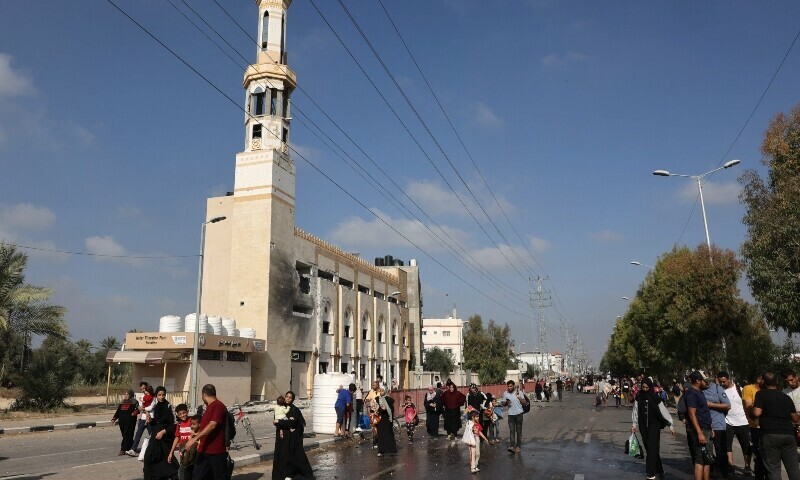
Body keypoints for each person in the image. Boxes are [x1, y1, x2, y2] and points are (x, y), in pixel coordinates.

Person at [753, 371, 800, 479]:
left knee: (774, 469)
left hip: (770, 435)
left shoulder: (761, 394)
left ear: (763, 382)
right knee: (793, 469)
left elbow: (756, 413)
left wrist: (750, 409)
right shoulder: (786, 397)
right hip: (788, 435)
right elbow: (795, 418)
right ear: (776, 382)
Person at [632, 378, 675, 480]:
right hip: (643, 426)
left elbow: (663, 411)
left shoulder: (655, 398)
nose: (645, 389)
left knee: (651, 448)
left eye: (647, 387)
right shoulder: (639, 397)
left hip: (654, 426)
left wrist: (671, 425)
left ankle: (651, 473)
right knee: (650, 448)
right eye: (643, 387)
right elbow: (635, 411)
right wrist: (634, 424)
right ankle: (659, 469)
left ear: (650, 387)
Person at [185, 384, 227, 480]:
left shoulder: (217, 405)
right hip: (204, 450)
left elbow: (212, 425)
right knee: (197, 476)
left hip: (216, 451)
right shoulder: (209, 407)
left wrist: (195, 439)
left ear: (204, 394)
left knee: (219, 477)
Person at [271, 390, 313, 480]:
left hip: (291, 437)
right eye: (287, 396)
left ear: (292, 399)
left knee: (293, 456)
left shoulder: (294, 410)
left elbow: (294, 422)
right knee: (281, 456)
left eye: (290, 397)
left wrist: (281, 422)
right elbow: (276, 421)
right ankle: (281, 475)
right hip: (281, 437)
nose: (288, 399)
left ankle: (291, 474)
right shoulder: (279, 408)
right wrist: (281, 422)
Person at [717, 371, 753, 476]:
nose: (722, 384)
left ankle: (747, 466)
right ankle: (730, 467)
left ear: (729, 379)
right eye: (720, 382)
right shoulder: (720, 391)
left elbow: (747, 404)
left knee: (746, 446)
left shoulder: (739, 389)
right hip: (728, 422)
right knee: (728, 446)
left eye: (723, 381)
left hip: (743, 422)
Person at [143, 386, 178, 480]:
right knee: (149, 458)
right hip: (156, 437)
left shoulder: (170, 407)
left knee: (168, 461)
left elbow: (174, 425)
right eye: (159, 395)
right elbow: (157, 422)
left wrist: (163, 432)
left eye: (163, 395)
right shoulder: (156, 407)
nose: (161, 397)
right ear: (156, 396)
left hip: (166, 438)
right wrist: (151, 420)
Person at [685, 371, 713, 480]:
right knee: (700, 460)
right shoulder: (692, 393)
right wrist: (699, 433)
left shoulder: (699, 392)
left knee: (707, 459)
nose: (707, 384)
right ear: (698, 381)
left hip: (706, 428)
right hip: (699, 429)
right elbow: (692, 414)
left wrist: (711, 428)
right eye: (705, 381)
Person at [703, 374, 732, 478]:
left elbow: (727, 405)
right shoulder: (698, 390)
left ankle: (724, 472)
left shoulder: (716, 388)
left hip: (718, 425)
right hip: (705, 426)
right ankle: (713, 470)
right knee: (707, 451)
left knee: (721, 450)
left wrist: (711, 404)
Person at [743, 373, 766, 479]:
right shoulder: (748, 388)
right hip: (756, 427)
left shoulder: (766, 389)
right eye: (764, 380)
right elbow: (748, 407)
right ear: (758, 379)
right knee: (759, 455)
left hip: (767, 427)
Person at [167, 404, 193, 480]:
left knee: (192, 470)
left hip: (192, 451)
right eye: (180, 414)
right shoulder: (179, 424)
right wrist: (171, 452)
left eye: (184, 413)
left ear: (187, 412)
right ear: (177, 415)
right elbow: (177, 438)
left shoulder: (192, 421)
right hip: (183, 452)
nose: (182, 415)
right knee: (182, 471)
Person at [501, 380, 527, 453]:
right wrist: (506, 402)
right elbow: (503, 403)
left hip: (519, 414)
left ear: (514, 386)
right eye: (508, 386)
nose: (509, 388)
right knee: (512, 431)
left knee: (518, 431)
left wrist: (519, 397)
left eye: (511, 386)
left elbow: (524, 403)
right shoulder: (505, 393)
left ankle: (518, 446)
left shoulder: (519, 392)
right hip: (511, 415)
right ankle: (512, 446)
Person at [112, 389, 139, 455]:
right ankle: (132, 446)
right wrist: (114, 418)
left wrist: (134, 413)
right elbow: (118, 411)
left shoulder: (134, 402)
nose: (126, 396)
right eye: (125, 394)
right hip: (122, 422)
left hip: (130, 422)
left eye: (127, 394)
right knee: (125, 435)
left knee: (127, 435)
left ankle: (123, 449)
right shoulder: (122, 402)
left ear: (131, 395)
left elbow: (138, 410)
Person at [130, 383, 154, 455]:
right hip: (142, 418)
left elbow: (152, 407)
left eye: (144, 388)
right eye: (142, 389)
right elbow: (140, 408)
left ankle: (155, 448)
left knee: (152, 435)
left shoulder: (153, 397)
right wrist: (145, 410)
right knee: (138, 434)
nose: (143, 390)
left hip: (150, 418)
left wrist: (145, 409)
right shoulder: (142, 397)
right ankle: (133, 449)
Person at [375, 388, 398, 456]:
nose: (381, 392)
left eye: (382, 391)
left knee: (388, 434)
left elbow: (391, 409)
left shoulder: (389, 400)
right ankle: (381, 451)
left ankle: (391, 450)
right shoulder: (377, 399)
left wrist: (387, 409)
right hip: (380, 419)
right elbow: (374, 407)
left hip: (387, 419)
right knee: (381, 434)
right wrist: (377, 410)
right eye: (380, 390)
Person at [465, 410, 488, 474]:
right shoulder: (469, 424)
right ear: (473, 417)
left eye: (478, 416)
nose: (478, 418)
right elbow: (467, 430)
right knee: (472, 453)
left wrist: (485, 438)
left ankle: (475, 465)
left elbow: (479, 432)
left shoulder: (478, 424)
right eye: (477, 416)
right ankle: (472, 467)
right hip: (471, 440)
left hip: (477, 439)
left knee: (477, 453)